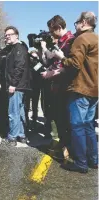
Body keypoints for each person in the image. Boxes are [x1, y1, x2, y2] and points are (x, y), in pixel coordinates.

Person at [54, 11, 98, 173]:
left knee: (77, 126)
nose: (76, 26)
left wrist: (60, 57)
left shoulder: (82, 38)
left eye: (77, 23)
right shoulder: (96, 38)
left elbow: (74, 64)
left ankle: (80, 163)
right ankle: (94, 160)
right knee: (88, 126)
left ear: (84, 22)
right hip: (94, 90)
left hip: (80, 88)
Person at [41, 15, 75, 158]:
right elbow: (51, 58)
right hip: (56, 86)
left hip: (64, 87)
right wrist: (43, 48)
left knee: (64, 119)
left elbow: (72, 65)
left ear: (58, 27)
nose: (51, 34)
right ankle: (63, 145)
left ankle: (68, 149)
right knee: (58, 118)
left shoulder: (71, 41)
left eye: (52, 31)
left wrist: (52, 73)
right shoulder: (61, 42)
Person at [2, 26, 31, 146]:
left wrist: (13, 84)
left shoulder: (18, 48)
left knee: (13, 112)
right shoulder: (15, 48)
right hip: (20, 86)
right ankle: (21, 135)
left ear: (17, 35)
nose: (7, 36)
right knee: (19, 111)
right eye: (6, 35)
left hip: (17, 86)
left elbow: (19, 67)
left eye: (10, 34)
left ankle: (12, 138)